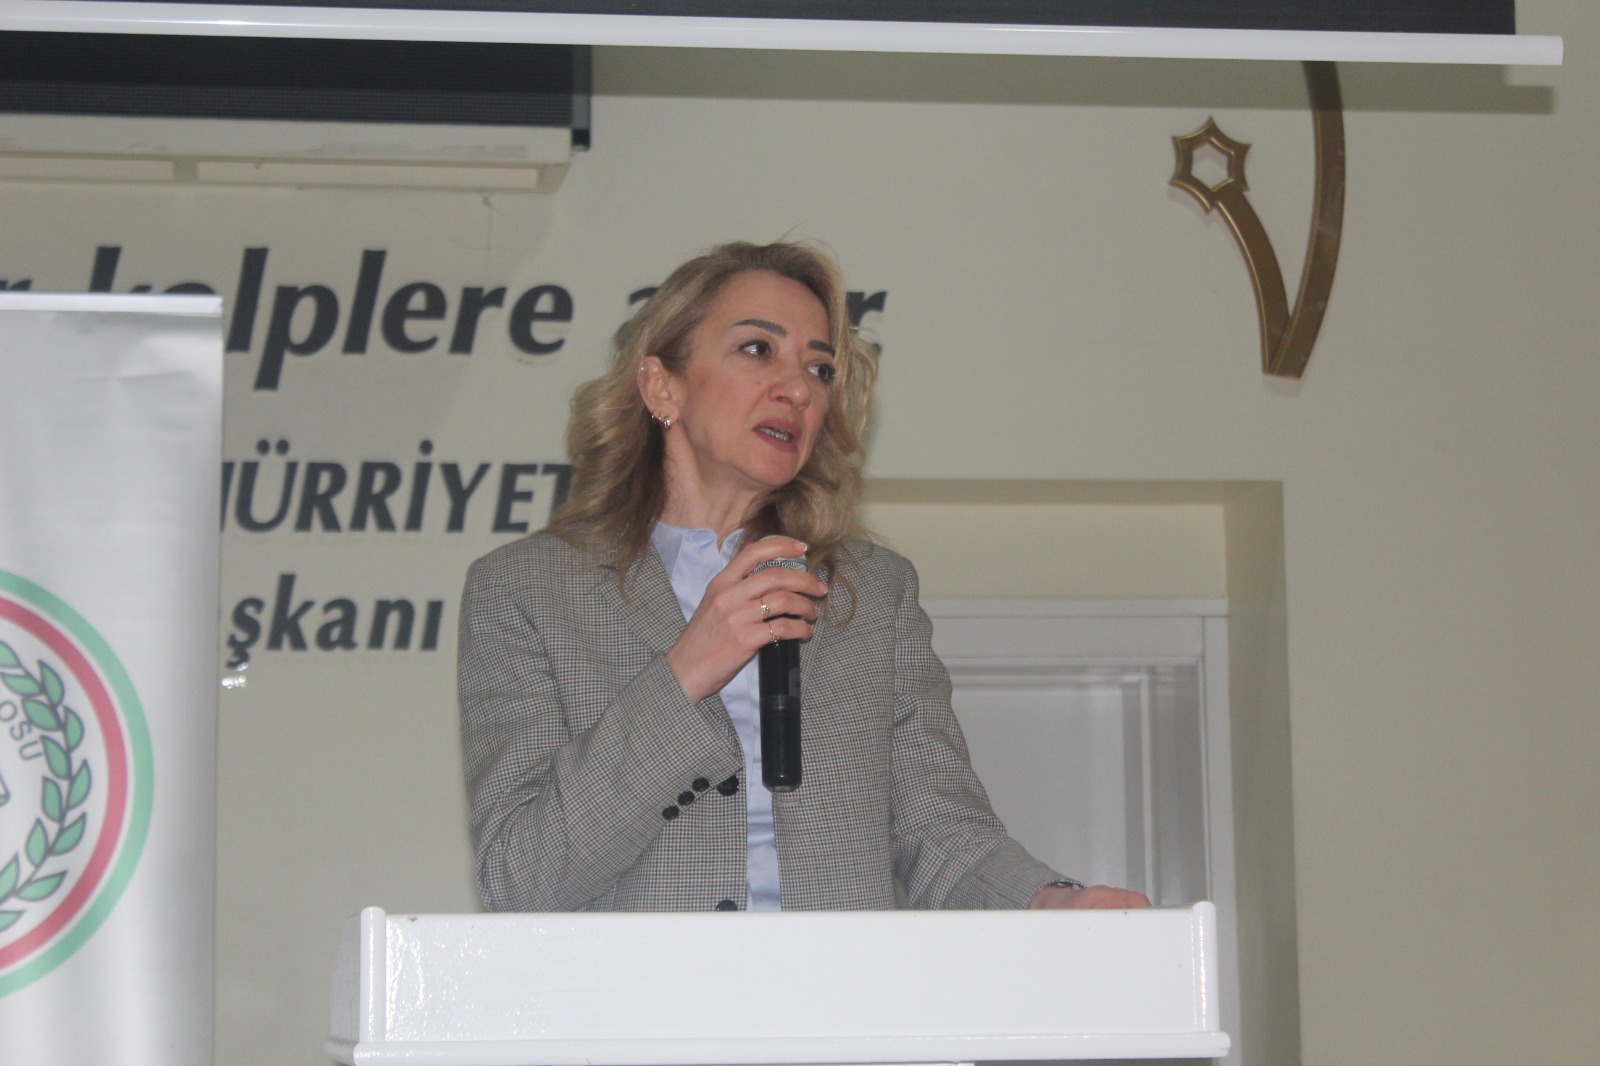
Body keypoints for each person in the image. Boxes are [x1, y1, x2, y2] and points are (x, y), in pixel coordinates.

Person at [458, 240, 1149, 913]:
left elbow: (942, 835)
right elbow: (520, 879)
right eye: (757, 349)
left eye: (820, 369)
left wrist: (1050, 901)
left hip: (837, 988)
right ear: (662, 385)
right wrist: (684, 673)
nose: (797, 388)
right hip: (646, 992)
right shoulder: (526, 591)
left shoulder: (873, 594)